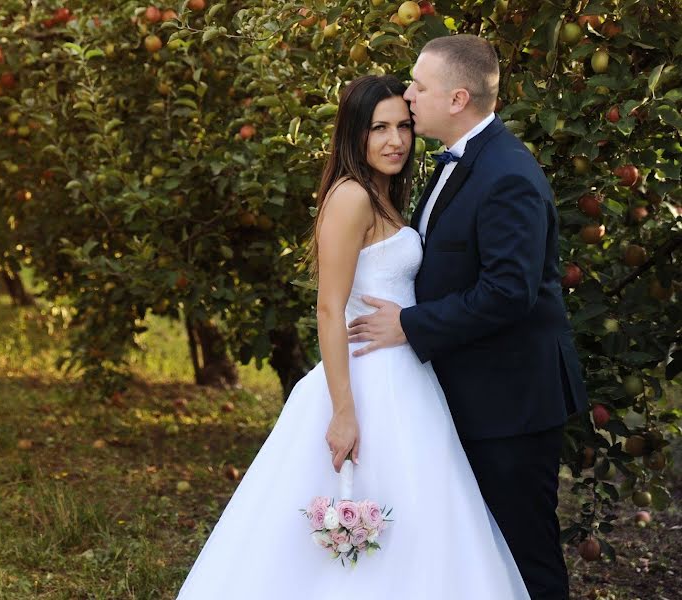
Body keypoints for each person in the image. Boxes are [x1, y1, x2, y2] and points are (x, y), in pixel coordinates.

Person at [176, 74, 529, 599]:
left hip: (408, 374)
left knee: (423, 516)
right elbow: (328, 307)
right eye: (379, 128)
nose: (396, 140)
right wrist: (343, 411)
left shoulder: (385, 194)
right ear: (354, 135)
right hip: (364, 378)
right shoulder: (351, 197)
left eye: (404, 127)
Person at [346, 36, 588, 600]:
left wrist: (410, 324)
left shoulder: (506, 174)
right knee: (480, 557)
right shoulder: (458, 163)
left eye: (419, 87)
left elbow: (509, 292)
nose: (408, 97)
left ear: (457, 99)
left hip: (512, 402)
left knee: (524, 555)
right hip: (473, 392)